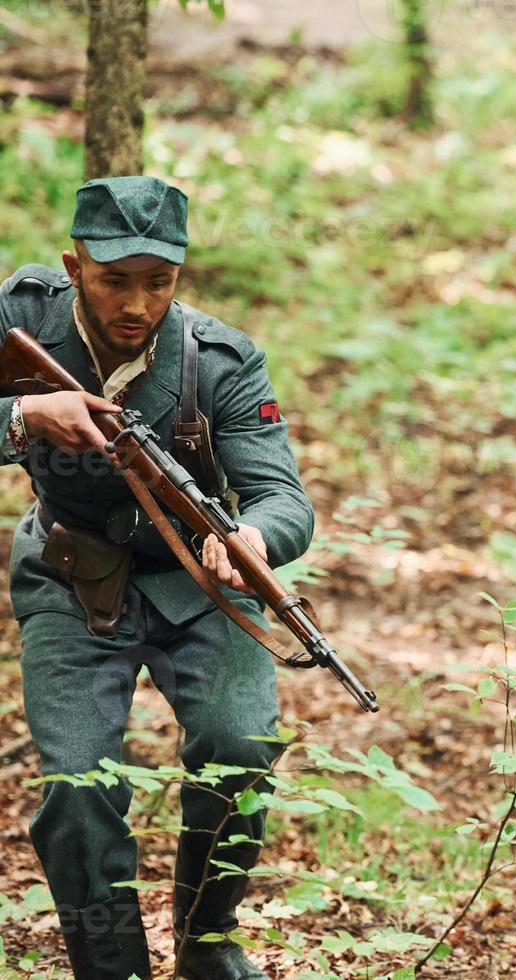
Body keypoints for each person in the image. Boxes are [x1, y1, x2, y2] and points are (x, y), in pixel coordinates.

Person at [0, 175, 314, 979]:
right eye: (114, 279)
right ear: (74, 267)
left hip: (200, 584)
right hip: (73, 577)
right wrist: (22, 416)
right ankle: (111, 967)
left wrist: (251, 536)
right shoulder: (22, 318)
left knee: (241, 748)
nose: (137, 301)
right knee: (76, 788)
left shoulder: (220, 360)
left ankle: (209, 943)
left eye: (159, 280)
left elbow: (284, 498)